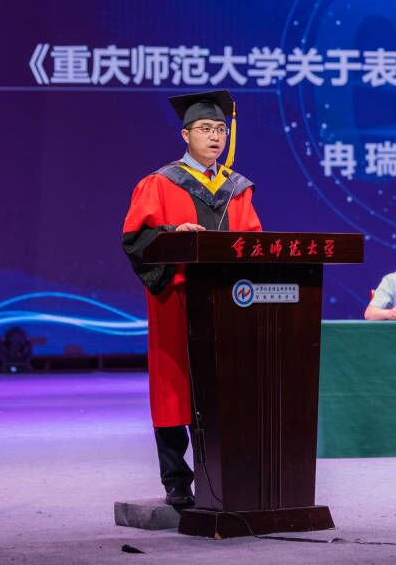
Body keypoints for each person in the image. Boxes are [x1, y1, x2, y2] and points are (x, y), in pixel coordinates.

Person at [121, 90, 262, 508]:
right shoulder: (160, 183)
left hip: (228, 303)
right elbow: (135, 239)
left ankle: (218, 475)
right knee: (174, 389)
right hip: (177, 302)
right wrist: (172, 235)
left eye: (220, 129)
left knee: (222, 389)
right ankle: (177, 480)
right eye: (205, 129)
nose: (215, 136)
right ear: (186, 135)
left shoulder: (237, 188)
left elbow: (253, 242)